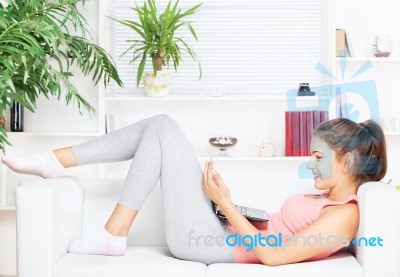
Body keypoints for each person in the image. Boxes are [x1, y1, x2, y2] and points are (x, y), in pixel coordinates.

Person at [1, 114, 387, 266]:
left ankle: (109, 229)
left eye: (318, 156)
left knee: (164, 128)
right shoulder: (327, 198)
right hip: (221, 229)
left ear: (348, 162)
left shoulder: (346, 213)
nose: (310, 163)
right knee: (158, 128)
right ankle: (59, 165)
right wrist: (228, 204)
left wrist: (224, 205)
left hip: (213, 244)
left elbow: (278, 255)